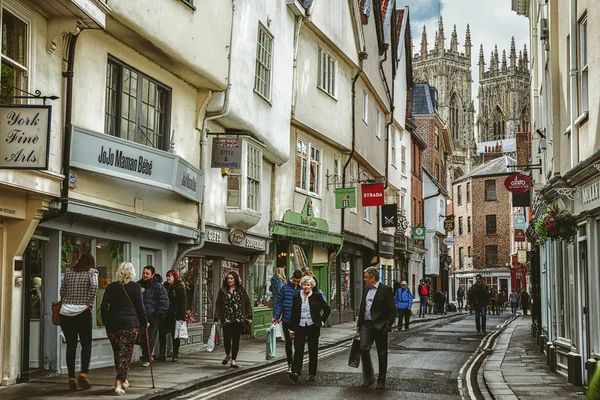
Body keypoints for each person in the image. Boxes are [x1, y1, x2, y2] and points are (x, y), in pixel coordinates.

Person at [101, 262, 147, 396]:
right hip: (129, 325)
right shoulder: (135, 287)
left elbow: (104, 307)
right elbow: (140, 307)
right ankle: (118, 382)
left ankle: (123, 378)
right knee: (125, 355)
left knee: (118, 353)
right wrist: (144, 322)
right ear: (132, 273)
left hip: (113, 326)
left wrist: (106, 323)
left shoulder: (110, 287)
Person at [59, 253, 98, 391]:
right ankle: (83, 374)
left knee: (71, 345)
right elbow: (94, 286)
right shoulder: (92, 272)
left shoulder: (69, 272)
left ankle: (71, 378)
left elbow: (62, 290)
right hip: (82, 311)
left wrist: (69, 299)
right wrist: (88, 303)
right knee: (86, 344)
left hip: (65, 312)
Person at [356, 267, 396, 390]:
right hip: (366, 325)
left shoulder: (386, 290)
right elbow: (363, 306)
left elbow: (392, 309)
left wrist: (388, 325)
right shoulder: (366, 289)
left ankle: (381, 380)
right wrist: (359, 324)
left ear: (373, 278)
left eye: (366, 277)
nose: (364, 279)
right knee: (363, 348)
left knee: (382, 353)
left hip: (380, 326)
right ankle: (369, 378)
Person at [288, 276, 331, 382]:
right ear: (301, 285)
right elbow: (293, 313)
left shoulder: (317, 296)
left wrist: (321, 321)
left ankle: (312, 373)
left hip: (313, 326)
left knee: (313, 349)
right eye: (304, 285)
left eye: (308, 285)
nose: (306, 287)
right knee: (298, 349)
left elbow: (327, 309)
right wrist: (292, 329)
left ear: (311, 286)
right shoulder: (296, 296)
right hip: (300, 326)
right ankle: (296, 372)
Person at [214, 271, 252, 368]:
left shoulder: (241, 290)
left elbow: (247, 303)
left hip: (238, 319)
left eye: (231, 278)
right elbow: (218, 305)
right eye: (228, 278)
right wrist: (216, 318)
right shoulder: (222, 291)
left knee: (236, 340)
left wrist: (249, 316)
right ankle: (228, 354)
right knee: (226, 339)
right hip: (226, 319)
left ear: (235, 279)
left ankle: (233, 360)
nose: (229, 280)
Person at [138, 265, 169, 366]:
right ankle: (144, 355)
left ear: (152, 275)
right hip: (140, 316)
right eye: (144, 273)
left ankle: (147, 358)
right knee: (140, 337)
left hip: (152, 317)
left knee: (150, 337)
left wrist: (157, 313)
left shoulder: (158, 287)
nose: (145, 275)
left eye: (147, 274)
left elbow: (164, 302)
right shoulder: (138, 285)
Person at [273, 269, 302, 372]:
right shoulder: (285, 288)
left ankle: (297, 365)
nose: (296, 283)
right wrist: (276, 316)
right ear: (292, 278)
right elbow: (279, 303)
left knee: (298, 344)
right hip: (287, 320)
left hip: (299, 322)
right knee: (288, 344)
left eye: (298, 281)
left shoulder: (303, 289)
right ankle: (290, 363)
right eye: (295, 281)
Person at [158, 270, 187, 362]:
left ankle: (175, 354)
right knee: (162, 334)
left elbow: (183, 302)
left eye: (170, 276)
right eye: (167, 276)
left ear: (174, 277)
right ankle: (162, 353)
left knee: (175, 335)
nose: (168, 278)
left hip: (175, 314)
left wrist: (182, 316)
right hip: (165, 314)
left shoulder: (179, 288)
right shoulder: (164, 287)